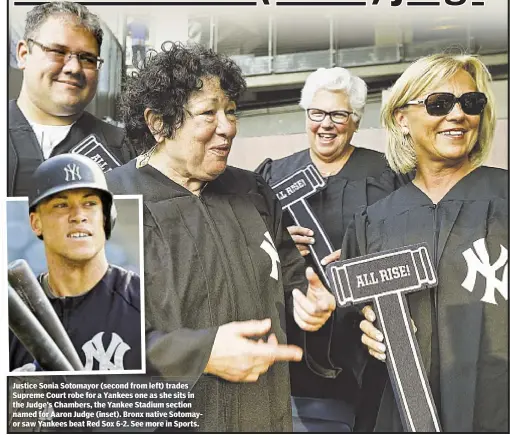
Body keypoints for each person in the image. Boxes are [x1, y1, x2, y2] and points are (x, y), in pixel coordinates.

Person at [106, 42, 336, 432]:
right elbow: (94, 340)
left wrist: (309, 306)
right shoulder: (111, 202)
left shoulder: (253, 193)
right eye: (208, 112)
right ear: (158, 123)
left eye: (230, 111)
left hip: (264, 415)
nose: (227, 127)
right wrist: (202, 354)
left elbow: (293, 282)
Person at [348, 53, 508, 432]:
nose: (458, 115)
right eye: (439, 104)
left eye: (471, 103)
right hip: (403, 414)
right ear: (402, 118)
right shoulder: (374, 221)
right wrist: (364, 329)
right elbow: (349, 326)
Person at [256, 67, 409, 432]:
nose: (326, 124)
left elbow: (412, 242)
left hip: (366, 338)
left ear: (355, 121)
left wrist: (368, 255)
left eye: (338, 114)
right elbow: (248, 251)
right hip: (297, 339)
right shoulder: (272, 176)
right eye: (317, 113)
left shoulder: (388, 174)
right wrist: (276, 242)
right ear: (306, 115)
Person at [9, 154, 142, 372]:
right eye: (61, 205)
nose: (78, 216)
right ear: (36, 222)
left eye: (90, 203)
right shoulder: (13, 316)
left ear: (107, 217)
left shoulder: (144, 299)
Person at [8, 1, 136, 197]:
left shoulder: (126, 151)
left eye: (87, 58)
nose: (74, 68)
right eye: (58, 52)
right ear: (24, 54)